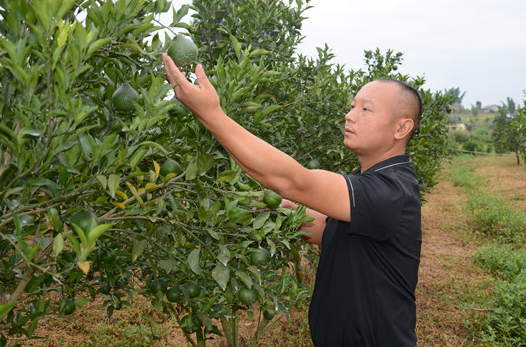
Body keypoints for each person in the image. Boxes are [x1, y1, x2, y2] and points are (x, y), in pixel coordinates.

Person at [162, 54, 423, 347]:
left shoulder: (392, 191)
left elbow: (294, 182)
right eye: (352, 106)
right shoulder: (370, 183)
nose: (350, 115)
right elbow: (332, 233)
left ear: (401, 128)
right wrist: (279, 210)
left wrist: (212, 115)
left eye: (366, 109)